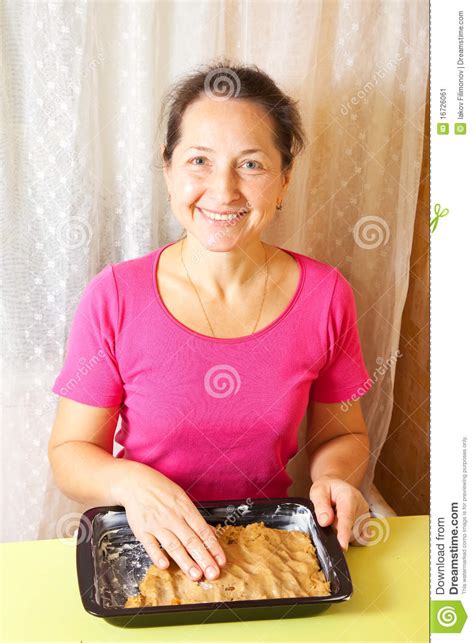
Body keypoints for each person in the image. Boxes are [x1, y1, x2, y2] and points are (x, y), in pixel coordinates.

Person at [48, 60, 373, 585]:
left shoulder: (326, 294)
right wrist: (132, 484)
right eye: (199, 160)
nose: (223, 192)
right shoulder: (114, 295)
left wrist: (335, 477)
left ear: (284, 179)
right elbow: (70, 454)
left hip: (267, 547)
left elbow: (345, 435)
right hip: (144, 546)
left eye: (251, 165)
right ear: (169, 168)